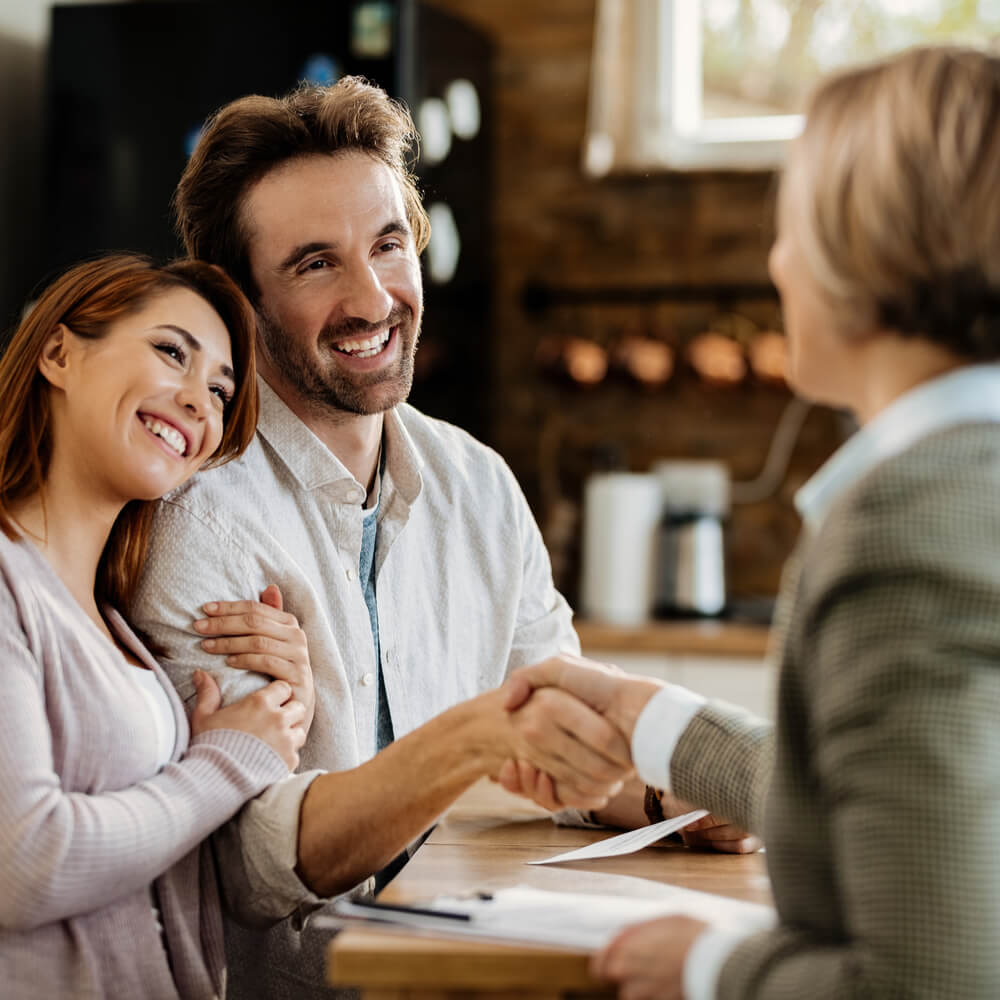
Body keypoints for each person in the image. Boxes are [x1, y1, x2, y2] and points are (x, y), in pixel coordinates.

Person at [126, 77, 647, 999]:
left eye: (388, 245)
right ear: (242, 305)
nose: (373, 299)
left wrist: (672, 803)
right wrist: (471, 740)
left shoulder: (477, 483)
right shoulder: (197, 516)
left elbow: (555, 741)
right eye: (315, 264)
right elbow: (245, 866)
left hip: (466, 969)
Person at [506, 44, 1000, 1000]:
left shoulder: (910, 526)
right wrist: (657, 723)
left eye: (792, 225)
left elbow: (930, 981)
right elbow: (904, 809)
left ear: (867, 248)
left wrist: (710, 964)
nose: (776, 260)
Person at [0, 254, 321, 998]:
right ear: (58, 353)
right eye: (171, 352)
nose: (198, 403)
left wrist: (280, 707)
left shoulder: (116, 624)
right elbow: (24, 864)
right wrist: (227, 763)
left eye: (219, 390)